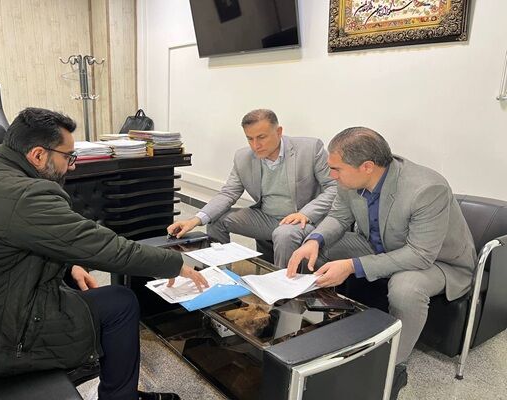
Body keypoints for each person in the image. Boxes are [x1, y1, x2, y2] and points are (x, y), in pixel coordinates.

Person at [0, 108, 208, 400]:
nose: (72, 166)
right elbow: (105, 248)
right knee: (121, 302)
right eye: (68, 157)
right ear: (38, 155)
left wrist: (68, 266)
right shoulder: (26, 194)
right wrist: (174, 263)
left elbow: (8, 244)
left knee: (79, 290)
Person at [286, 126, 476, 399]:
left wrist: (352, 266)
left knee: (405, 287)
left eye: (337, 169)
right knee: (316, 250)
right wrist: (314, 240)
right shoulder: (350, 180)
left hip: (439, 262)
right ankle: (320, 329)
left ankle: (391, 367)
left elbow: (420, 254)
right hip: (380, 245)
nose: (332, 175)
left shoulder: (427, 189)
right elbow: (339, 218)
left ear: (367, 167)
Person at [168, 109, 337, 268]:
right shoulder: (243, 157)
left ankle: (281, 285)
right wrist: (194, 220)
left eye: (261, 137)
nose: (256, 145)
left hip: (302, 220)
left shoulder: (310, 149)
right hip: (267, 217)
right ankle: (218, 274)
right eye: (250, 139)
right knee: (215, 220)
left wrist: (305, 214)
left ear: (279, 132)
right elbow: (228, 193)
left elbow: (333, 187)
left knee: (284, 234)